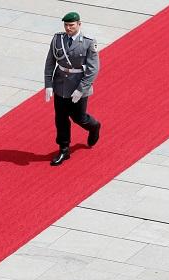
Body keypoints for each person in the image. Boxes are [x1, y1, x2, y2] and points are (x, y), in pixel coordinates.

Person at [44, 11, 101, 166]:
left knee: (79, 117)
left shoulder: (89, 43)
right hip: (61, 84)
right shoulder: (58, 39)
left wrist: (81, 88)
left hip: (78, 84)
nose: (68, 28)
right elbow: (50, 62)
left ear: (79, 25)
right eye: (66, 25)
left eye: (71, 25)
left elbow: (93, 69)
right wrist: (48, 84)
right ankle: (64, 149)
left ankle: (94, 126)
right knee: (61, 117)